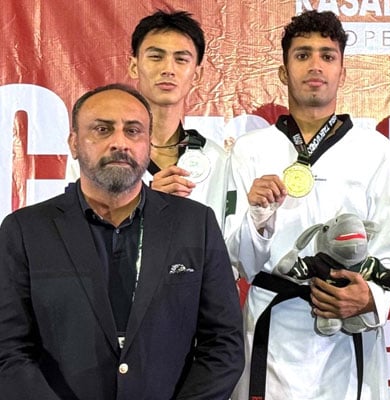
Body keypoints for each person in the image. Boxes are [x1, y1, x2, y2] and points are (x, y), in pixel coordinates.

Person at [0, 84, 244, 399]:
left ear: (148, 144)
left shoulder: (196, 224)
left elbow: (224, 344)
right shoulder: (25, 230)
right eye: (102, 129)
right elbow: (8, 348)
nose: (120, 142)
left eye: (133, 131)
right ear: (74, 143)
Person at [225, 10, 390, 400]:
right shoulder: (249, 151)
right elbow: (239, 262)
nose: (315, 65)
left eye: (327, 55)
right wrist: (257, 216)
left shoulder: (376, 151)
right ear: (284, 71)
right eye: (302, 55)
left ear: (342, 70)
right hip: (273, 325)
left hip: (346, 326)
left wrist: (370, 297)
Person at [65, 10, 230, 228]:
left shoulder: (215, 158)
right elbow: (75, 230)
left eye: (181, 59)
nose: (168, 69)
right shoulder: (98, 149)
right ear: (134, 66)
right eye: (156, 56)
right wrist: (145, 203)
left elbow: (223, 245)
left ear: (197, 75)